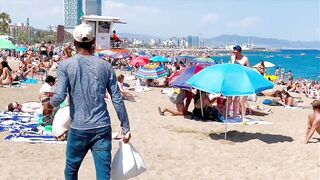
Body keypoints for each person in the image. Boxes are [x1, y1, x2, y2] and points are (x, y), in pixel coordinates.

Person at [42, 23, 131, 180]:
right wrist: (125, 128)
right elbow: (117, 98)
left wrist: (48, 106)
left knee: (71, 171)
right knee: (103, 174)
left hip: (78, 128)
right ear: (93, 42)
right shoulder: (105, 66)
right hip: (102, 127)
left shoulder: (65, 65)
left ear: (75, 43)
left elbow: (60, 95)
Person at [230, 45, 250, 121]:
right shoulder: (232, 57)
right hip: (235, 79)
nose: (234, 53)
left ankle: (243, 116)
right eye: (233, 52)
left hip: (243, 80)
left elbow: (249, 69)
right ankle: (234, 116)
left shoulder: (245, 59)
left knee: (242, 101)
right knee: (235, 99)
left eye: (236, 52)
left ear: (240, 51)